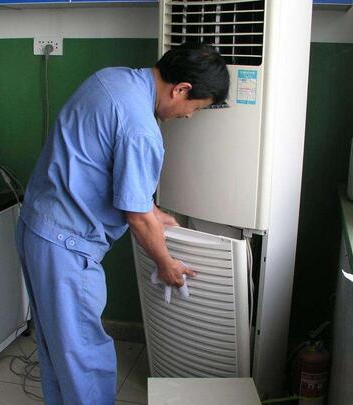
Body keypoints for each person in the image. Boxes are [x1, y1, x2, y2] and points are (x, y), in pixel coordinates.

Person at [15, 43, 229, 405]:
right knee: (84, 359)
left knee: (59, 350)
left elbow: (104, 164)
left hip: (36, 228)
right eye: (195, 108)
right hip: (66, 247)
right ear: (181, 89)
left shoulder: (112, 79)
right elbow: (136, 217)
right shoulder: (142, 130)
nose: (189, 116)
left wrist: (152, 211)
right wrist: (166, 264)